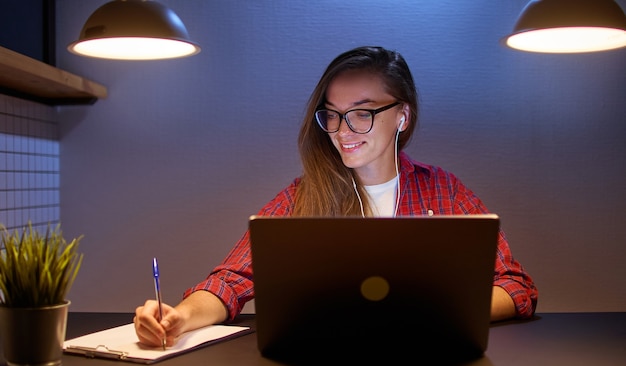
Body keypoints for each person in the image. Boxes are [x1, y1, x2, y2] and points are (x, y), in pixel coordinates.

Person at [134, 46, 538, 347]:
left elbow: (516, 287)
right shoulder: (304, 195)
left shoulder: (442, 190)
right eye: (331, 113)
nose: (342, 129)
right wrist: (178, 318)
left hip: (423, 363)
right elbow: (232, 280)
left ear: (402, 116)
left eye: (362, 112)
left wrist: (434, 314)